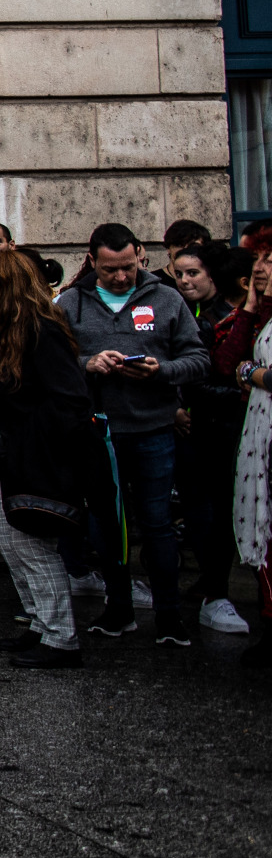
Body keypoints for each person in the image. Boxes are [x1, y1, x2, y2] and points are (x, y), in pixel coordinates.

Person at [55, 223, 209, 646]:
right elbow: (55, 361)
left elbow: (198, 358)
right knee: (106, 524)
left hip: (154, 428)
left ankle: (169, 615)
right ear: (93, 262)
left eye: (127, 267)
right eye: (110, 270)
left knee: (157, 523)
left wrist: (163, 371)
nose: (122, 277)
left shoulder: (165, 297)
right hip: (99, 431)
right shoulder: (70, 302)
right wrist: (89, 363)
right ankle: (118, 608)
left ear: (139, 254)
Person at [0, 246, 98, 668]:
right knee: (11, 543)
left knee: (32, 547)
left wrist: (21, 439)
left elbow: (71, 402)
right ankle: (41, 624)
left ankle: (61, 638)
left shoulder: (41, 331)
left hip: (32, 457)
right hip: (5, 453)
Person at [176, 243, 254, 636]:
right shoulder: (192, 316)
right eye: (180, 274)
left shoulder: (235, 318)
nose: (186, 281)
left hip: (233, 429)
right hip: (207, 432)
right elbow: (201, 378)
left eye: (194, 273)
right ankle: (215, 590)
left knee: (226, 515)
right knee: (208, 515)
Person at [215, 245, 272, 667]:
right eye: (259, 263)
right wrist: (251, 308)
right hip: (260, 435)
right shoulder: (261, 315)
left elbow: (245, 369)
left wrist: (255, 374)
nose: (261, 270)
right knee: (263, 535)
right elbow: (226, 361)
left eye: (270, 262)